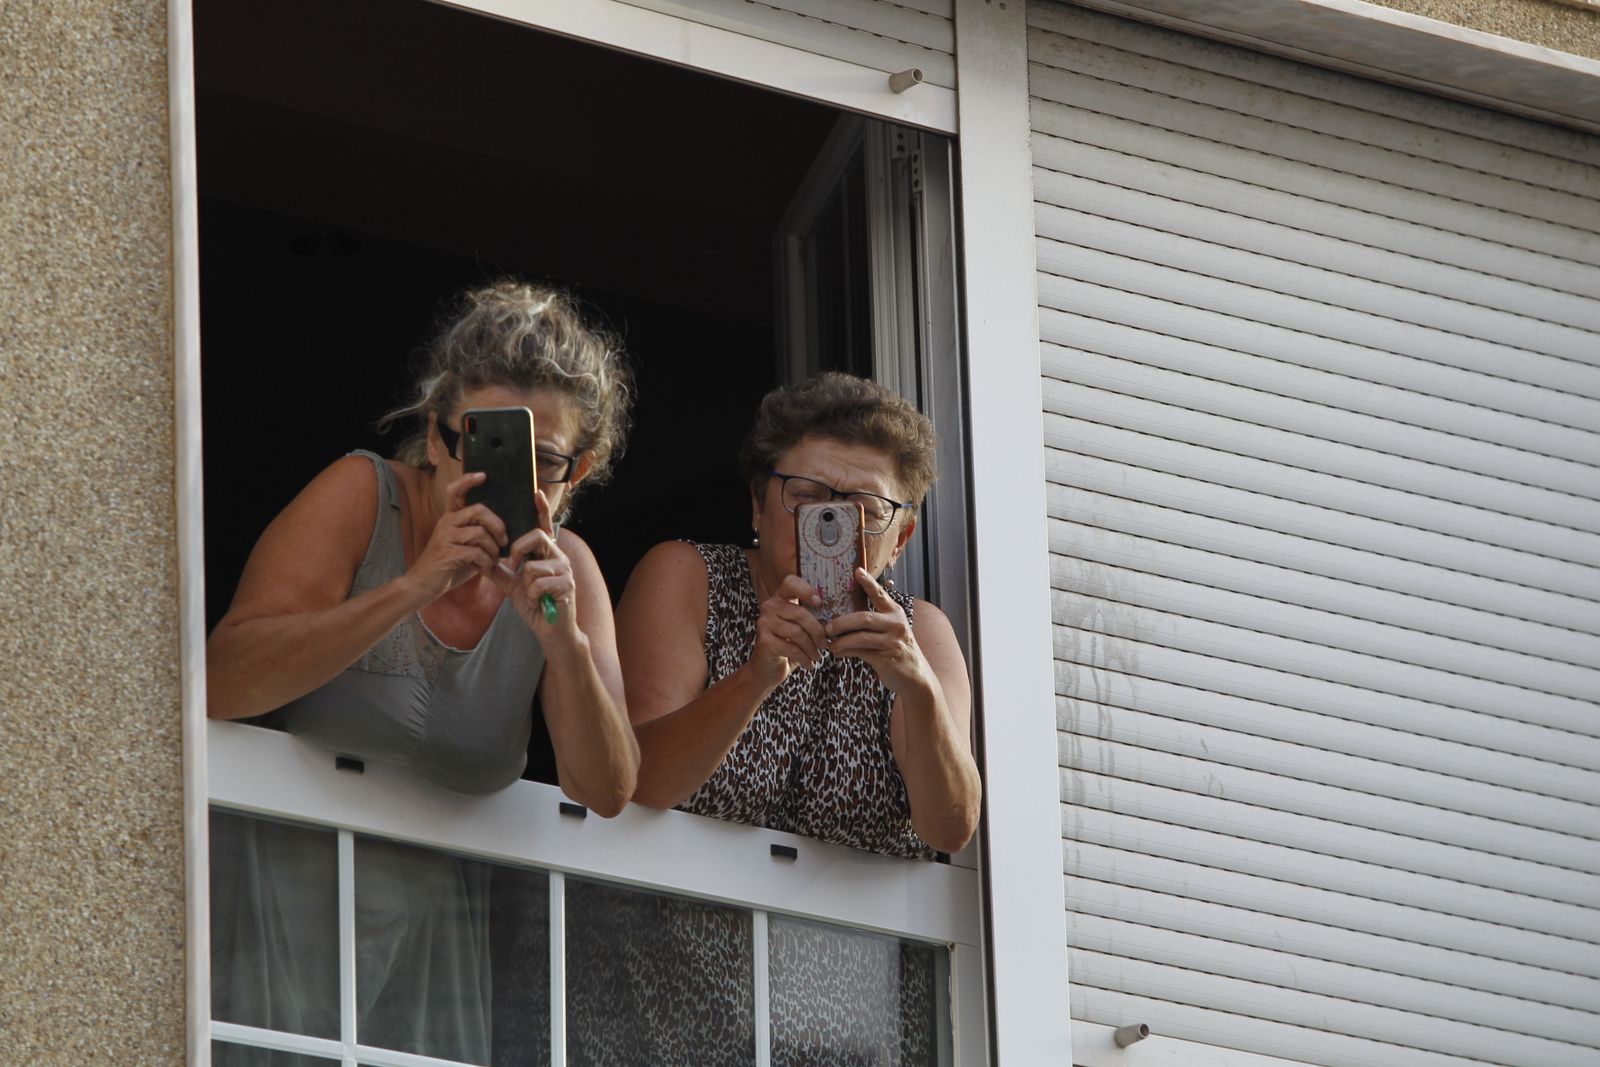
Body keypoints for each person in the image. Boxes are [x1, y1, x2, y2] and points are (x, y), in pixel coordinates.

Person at [205, 279, 638, 1065]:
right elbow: (221, 682)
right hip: (276, 923)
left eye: (545, 462)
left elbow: (607, 788)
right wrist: (414, 587)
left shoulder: (571, 570)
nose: (520, 480)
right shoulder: (364, 497)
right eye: (482, 444)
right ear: (438, 437)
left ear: (583, 468)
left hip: (435, 960)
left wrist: (561, 640)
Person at [618, 372, 980, 859]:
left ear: (902, 538)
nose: (831, 527)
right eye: (807, 497)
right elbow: (637, 778)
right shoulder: (689, 577)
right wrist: (754, 677)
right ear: (757, 504)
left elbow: (952, 829)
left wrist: (918, 689)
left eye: (866, 510)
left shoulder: (919, 633)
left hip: (855, 934)